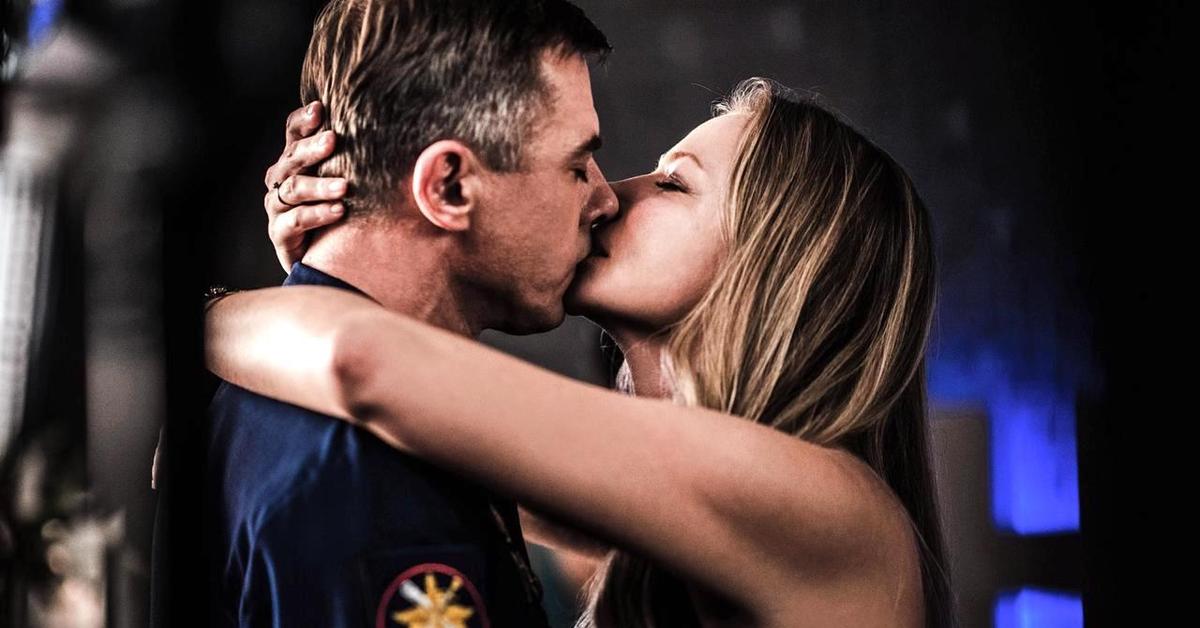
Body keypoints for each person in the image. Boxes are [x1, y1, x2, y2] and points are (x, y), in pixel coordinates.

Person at [207, 76, 957, 627]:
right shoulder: (661, 521)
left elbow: (361, 365)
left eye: (673, 184)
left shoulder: (828, 508)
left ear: (776, 267)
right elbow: (400, 409)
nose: (608, 195)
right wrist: (352, 264)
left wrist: (216, 313)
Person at [199, 1, 616, 626]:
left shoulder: (273, 398)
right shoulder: (364, 481)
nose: (605, 200)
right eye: (577, 166)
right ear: (448, 186)